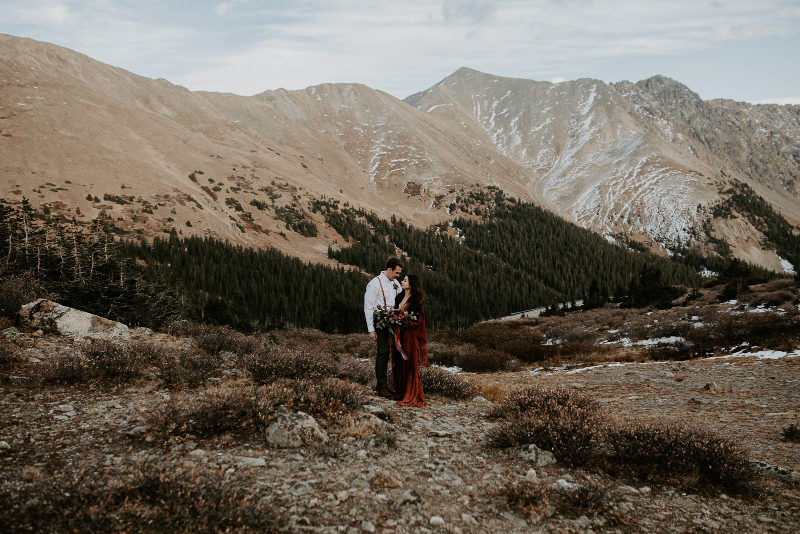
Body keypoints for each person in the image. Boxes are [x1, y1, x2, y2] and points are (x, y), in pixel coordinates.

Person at [364, 257, 404, 399]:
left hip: (393, 322)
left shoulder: (396, 283)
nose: (398, 276)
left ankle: (393, 385)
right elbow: (368, 307)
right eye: (397, 273)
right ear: (389, 270)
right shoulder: (374, 284)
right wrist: (371, 329)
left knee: (395, 351)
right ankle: (381, 387)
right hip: (379, 322)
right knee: (383, 351)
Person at [391, 274, 428, 407]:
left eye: (405, 280)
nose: (402, 281)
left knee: (409, 362)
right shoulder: (399, 297)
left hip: (410, 335)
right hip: (398, 334)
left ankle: (411, 394)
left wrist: (405, 322)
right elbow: (396, 311)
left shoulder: (416, 300)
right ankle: (400, 391)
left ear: (411, 284)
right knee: (398, 361)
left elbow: (418, 320)